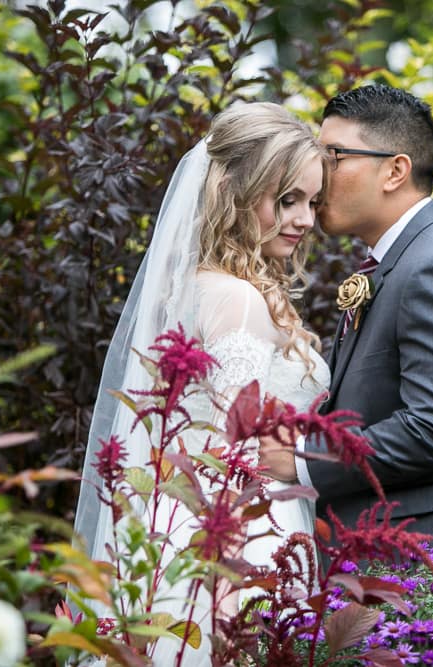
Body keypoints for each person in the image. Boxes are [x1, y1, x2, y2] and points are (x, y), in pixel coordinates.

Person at [74, 102, 329, 666]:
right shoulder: (239, 300)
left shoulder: (194, 286)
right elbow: (231, 452)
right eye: (287, 200)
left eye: (313, 201)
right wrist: (228, 579)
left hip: (178, 527)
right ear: (236, 193)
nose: (306, 219)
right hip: (238, 540)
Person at [261, 83, 433, 576]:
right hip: (397, 562)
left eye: (335, 155)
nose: (319, 172)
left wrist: (302, 461)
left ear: (395, 170)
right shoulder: (397, 264)